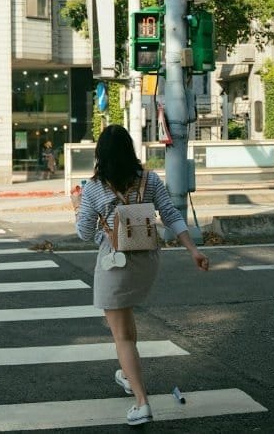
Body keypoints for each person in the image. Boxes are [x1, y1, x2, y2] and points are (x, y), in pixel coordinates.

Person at [75, 125, 210, 426]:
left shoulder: (94, 188)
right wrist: (193, 251)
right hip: (147, 261)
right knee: (128, 328)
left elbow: (84, 233)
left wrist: (85, 215)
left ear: (100, 156)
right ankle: (127, 374)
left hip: (115, 266)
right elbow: (172, 215)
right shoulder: (150, 180)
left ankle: (142, 402)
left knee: (122, 337)